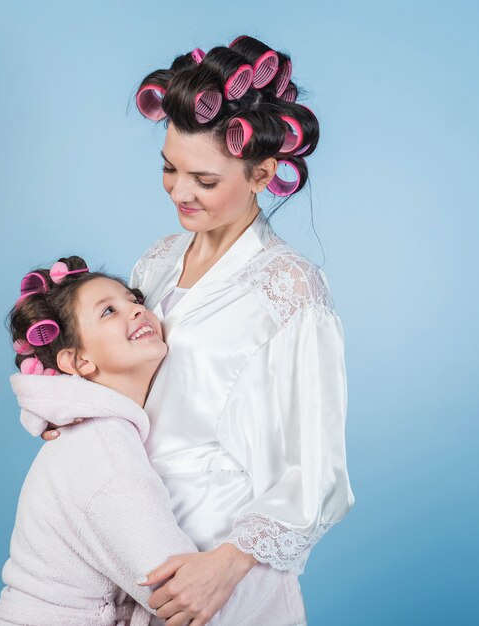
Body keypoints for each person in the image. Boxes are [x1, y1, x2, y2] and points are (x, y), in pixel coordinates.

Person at [44, 35, 354, 625]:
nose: (180, 192)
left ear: (263, 172)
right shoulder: (156, 264)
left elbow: (317, 473)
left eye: (204, 181)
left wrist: (228, 564)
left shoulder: (290, 291)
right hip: (136, 548)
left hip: (226, 576)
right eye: (169, 168)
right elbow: (124, 385)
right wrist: (81, 418)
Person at [0, 257, 306, 626]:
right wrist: (265, 557)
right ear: (77, 361)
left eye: (135, 300)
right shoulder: (103, 452)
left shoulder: (101, 432)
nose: (138, 312)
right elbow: (181, 597)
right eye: (109, 311)